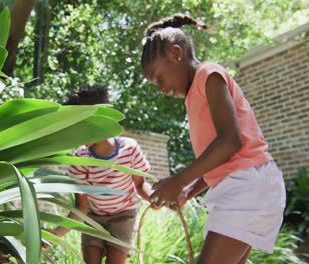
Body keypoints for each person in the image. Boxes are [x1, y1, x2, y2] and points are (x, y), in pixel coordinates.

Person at [141, 14, 286, 264]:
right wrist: (188, 191)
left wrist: (178, 180)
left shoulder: (209, 74)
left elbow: (230, 142)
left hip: (249, 185)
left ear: (176, 54)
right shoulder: (193, 96)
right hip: (242, 186)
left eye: (159, 78)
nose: (161, 89)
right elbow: (221, 161)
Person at [46, 85, 155, 264]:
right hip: (93, 218)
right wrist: (57, 233)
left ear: (101, 120)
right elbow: (82, 208)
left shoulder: (130, 149)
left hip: (123, 217)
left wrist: (155, 199)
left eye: (81, 127)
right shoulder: (81, 158)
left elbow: (140, 184)